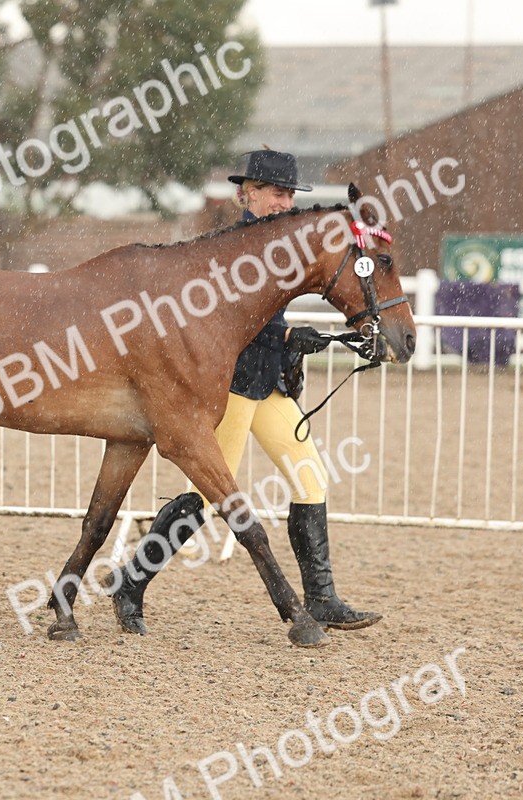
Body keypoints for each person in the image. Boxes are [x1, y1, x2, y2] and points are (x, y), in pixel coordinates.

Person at [108, 147, 381, 635]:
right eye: (276, 193)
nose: (283, 203)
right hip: (230, 385)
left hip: (271, 383)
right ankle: (131, 583)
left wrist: (300, 338)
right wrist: (285, 336)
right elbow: (217, 324)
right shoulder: (226, 249)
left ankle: (322, 598)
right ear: (247, 193)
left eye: (288, 195)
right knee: (206, 495)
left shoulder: (286, 249)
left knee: (310, 478)